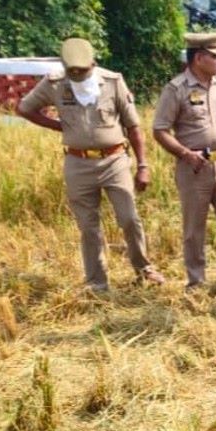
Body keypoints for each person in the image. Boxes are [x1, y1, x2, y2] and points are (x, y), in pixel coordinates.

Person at [17, 38, 165, 291]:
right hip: (77, 162)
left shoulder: (112, 82)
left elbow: (133, 126)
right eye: (71, 72)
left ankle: (144, 269)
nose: (76, 76)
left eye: (81, 72)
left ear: (93, 64)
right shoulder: (54, 83)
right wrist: (57, 125)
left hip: (114, 160)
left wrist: (143, 165)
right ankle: (97, 282)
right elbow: (24, 108)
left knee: (129, 218)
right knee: (88, 226)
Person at [152, 32, 216, 291]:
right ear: (198, 58)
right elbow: (160, 130)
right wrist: (185, 154)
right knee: (194, 228)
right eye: (215, 57)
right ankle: (196, 282)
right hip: (194, 169)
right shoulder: (176, 89)